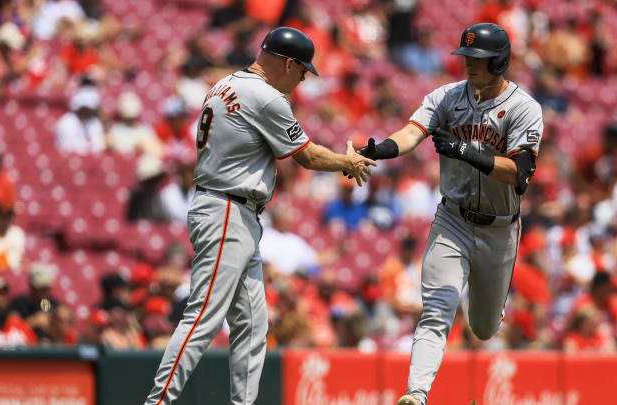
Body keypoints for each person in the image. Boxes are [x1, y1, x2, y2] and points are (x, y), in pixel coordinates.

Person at [143, 27, 374, 405]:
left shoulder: (225, 83)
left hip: (230, 207)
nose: (302, 80)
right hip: (226, 209)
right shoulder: (266, 97)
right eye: (302, 71)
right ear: (287, 63)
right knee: (204, 315)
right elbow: (308, 156)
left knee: (252, 324)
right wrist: (347, 162)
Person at [351, 23, 543, 405]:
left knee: (485, 328)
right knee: (437, 308)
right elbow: (411, 132)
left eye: (478, 58)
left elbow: (520, 172)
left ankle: (493, 303)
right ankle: (416, 394)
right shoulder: (446, 97)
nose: (469, 64)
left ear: (499, 61)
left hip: (499, 228)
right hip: (452, 218)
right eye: (466, 57)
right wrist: (379, 150)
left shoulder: (524, 107)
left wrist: (465, 150)